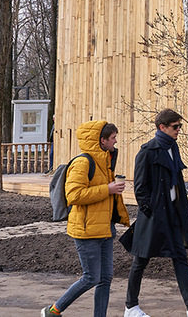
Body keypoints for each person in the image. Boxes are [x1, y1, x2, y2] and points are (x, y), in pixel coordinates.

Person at [120, 109, 188, 317]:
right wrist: (151, 210)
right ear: (162, 127)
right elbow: (140, 188)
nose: (179, 131)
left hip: (174, 213)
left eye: (180, 127)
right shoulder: (147, 152)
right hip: (154, 216)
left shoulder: (173, 148)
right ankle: (131, 307)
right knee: (141, 259)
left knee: (180, 256)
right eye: (175, 127)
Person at [41, 120, 129, 317]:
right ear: (102, 140)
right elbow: (74, 196)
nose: (115, 141)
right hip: (86, 229)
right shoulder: (83, 162)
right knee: (91, 278)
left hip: (105, 228)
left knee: (105, 278)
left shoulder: (105, 162)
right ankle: (53, 310)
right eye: (113, 138)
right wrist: (107, 189)